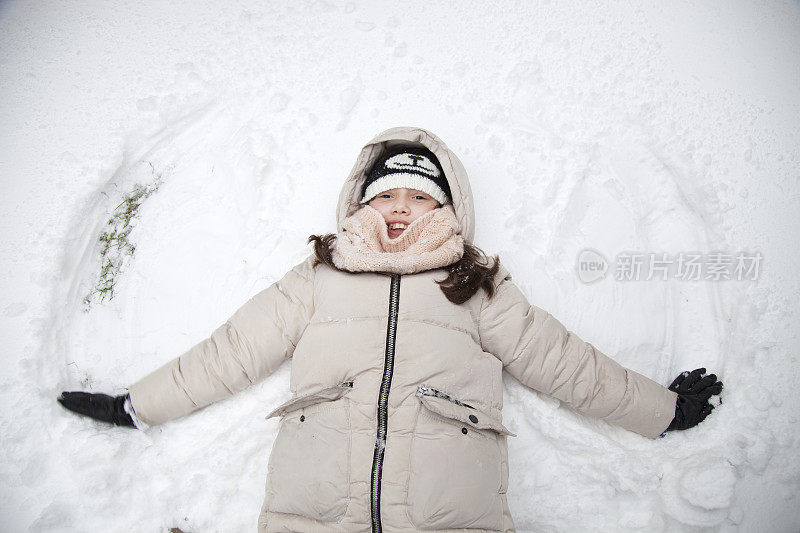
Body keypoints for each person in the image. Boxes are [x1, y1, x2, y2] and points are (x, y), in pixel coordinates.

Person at [58, 126, 723, 532]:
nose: (401, 208)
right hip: (313, 515)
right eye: (387, 194)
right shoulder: (321, 273)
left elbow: (564, 362)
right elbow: (232, 351)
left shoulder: (476, 282)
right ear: (362, 201)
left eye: (419, 195)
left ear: (447, 204)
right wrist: (136, 405)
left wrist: (660, 409)